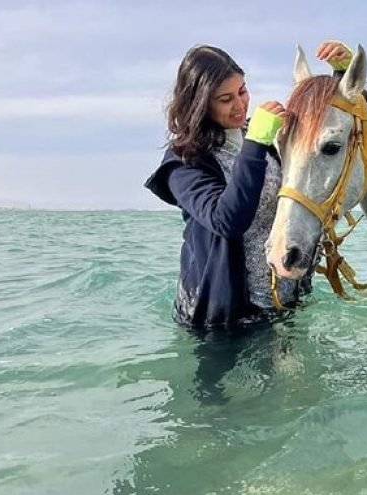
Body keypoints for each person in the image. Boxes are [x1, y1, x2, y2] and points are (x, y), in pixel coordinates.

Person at [145, 41, 353, 330]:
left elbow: (321, 135)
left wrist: (343, 76)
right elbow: (226, 220)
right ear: (200, 104)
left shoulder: (263, 136)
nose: (240, 104)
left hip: (284, 304)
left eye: (242, 91)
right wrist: (255, 143)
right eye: (225, 98)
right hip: (223, 322)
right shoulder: (184, 162)